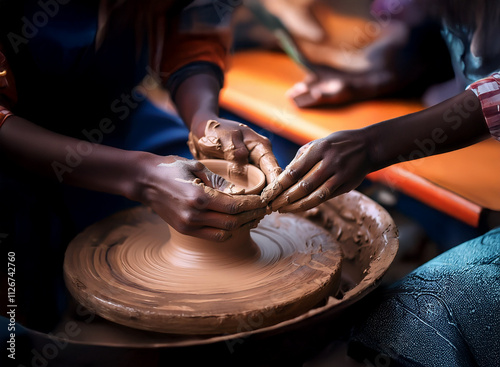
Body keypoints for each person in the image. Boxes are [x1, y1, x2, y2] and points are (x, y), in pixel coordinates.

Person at [262, 0, 500, 365]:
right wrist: (372, 81)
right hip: (449, 105)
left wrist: (375, 145)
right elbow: (427, 35)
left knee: (412, 319)